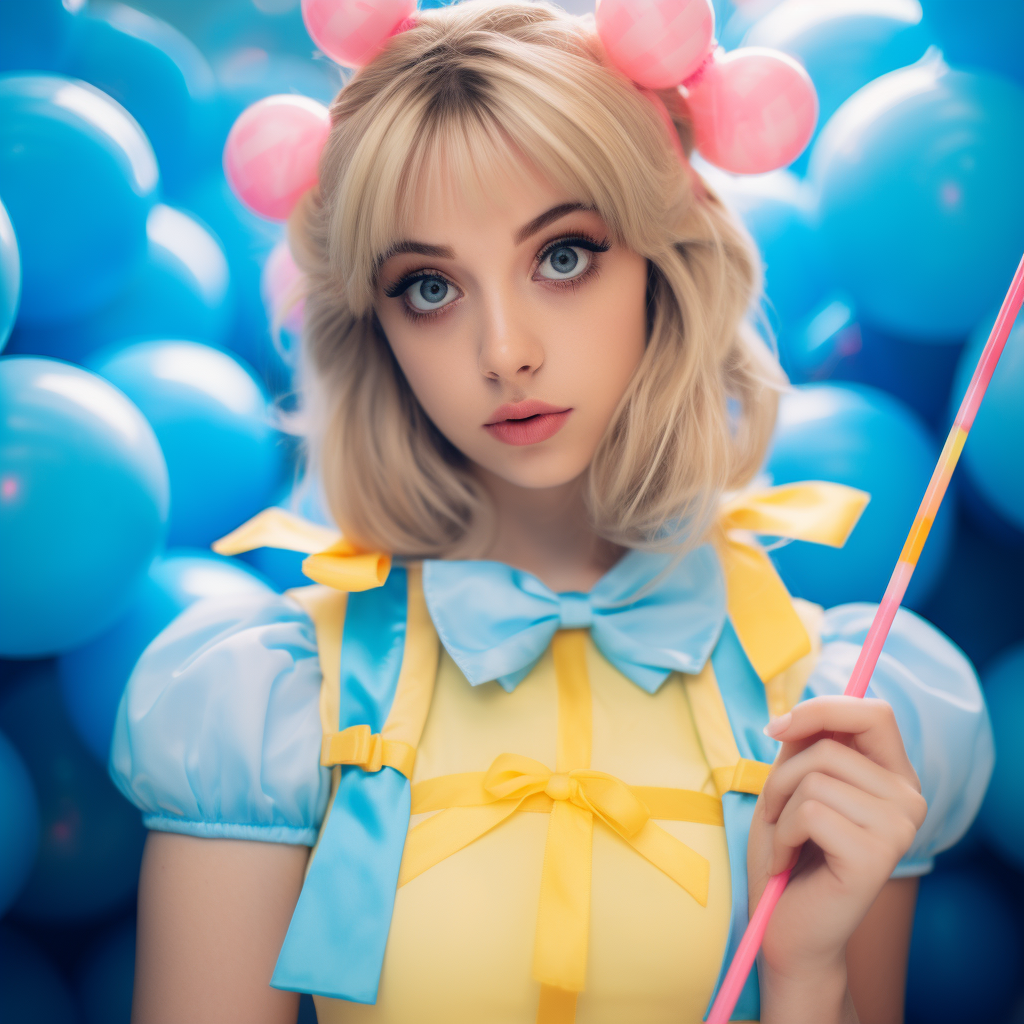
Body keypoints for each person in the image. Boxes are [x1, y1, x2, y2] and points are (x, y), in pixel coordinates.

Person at [109, 3, 993, 1022]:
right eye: (429, 286)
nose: (505, 350)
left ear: (663, 264)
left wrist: (806, 978)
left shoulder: (836, 712)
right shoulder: (267, 707)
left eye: (563, 256)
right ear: (376, 329)